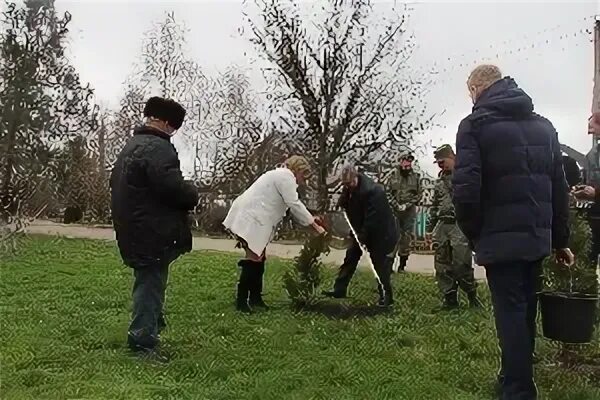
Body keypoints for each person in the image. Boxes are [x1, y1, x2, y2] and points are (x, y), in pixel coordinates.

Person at [452, 64, 574, 400]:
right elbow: (558, 188)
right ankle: (511, 377)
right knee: (525, 312)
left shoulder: (474, 126)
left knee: (510, 312)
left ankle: (519, 390)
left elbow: (465, 189)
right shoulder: (544, 127)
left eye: (470, 91)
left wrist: (476, 233)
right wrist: (560, 240)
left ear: (478, 88)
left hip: (499, 237)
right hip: (535, 239)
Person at [110, 96, 199, 357]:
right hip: (152, 230)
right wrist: (192, 193)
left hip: (134, 226)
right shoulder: (159, 148)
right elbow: (172, 188)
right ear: (166, 122)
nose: (173, 132)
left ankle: (153, 324)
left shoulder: (132, 145)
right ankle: (142, 341)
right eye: (174, 126)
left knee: (150, 280)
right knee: (150, 284)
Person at [223, 155, 326, 313]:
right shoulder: (286, 177)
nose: (302, 181)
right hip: (251, 219)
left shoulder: (279, 175)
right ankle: (242, 302)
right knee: (254, 258)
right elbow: (294, 203)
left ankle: (256, 298)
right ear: (297, 170)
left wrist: (312, 218)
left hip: (254, 218)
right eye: (303, 176)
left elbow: (290, 203)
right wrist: (314, 225)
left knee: (260, 257)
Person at [322, 165, 399, 307]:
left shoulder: (374, 191)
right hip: (361, 230)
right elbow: (350, 208)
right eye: (345, 185)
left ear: (356, 177)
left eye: (349, 184)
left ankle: (387, 297)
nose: (348, 187)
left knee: (378, 265)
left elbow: (373, 219)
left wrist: (362, 237)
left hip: (380, 233)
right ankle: (339, 289)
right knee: (350, 258)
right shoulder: (350, 189)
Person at [428, 144, 480, 309]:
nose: (440, 164)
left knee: (461, 264)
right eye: (438, 162)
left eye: (443, 161)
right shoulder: (439, 182)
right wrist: (430, 228)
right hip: (443, 225)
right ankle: (450, 299)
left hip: (460, 224)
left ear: (453, 157)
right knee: (442, 264)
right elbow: (434, 206)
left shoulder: (465, 177)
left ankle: (472, 296)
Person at [387, 154, 422, 272]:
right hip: (394, 211)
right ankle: (389, 265)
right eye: (405, 164)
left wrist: (407, 205)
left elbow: (418, 195)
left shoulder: (416, 177)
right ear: (400, 162)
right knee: (393, 236)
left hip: (409, 211)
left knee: (406, 238)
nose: (407, 167)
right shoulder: (392, 175)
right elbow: (387, 192)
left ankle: (402, 266)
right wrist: (396, 205)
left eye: (409, 165)